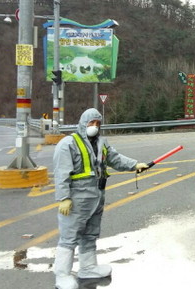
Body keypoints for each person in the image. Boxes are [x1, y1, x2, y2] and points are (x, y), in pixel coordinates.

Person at [53, 108, 148, 289]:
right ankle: (62, 275)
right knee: (69, 237)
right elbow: (61, 173)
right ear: (83, 123)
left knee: (90, 235)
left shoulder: (101, 143)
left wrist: (135, 165)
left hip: (96, 196)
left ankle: (88, 268)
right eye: (91, 123)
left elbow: (115, 159)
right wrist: (64, 197)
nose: (95, 127)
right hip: (77, 198)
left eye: (98, 123)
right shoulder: (68, 144)